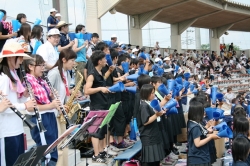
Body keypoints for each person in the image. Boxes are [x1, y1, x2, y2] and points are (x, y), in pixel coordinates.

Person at [0, 42, 36, 166]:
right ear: (10, 57)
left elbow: (14, 101)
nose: (21, 61)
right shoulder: (4, 77)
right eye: (19, 57)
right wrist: (25, 106)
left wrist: (25, 99)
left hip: (17, 129)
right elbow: (4, 107)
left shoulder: (13, 75)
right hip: (7, 131)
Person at [23, 54, 61, 166]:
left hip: (49, 116)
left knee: (53, 149)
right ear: (30, 66)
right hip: (39, 118)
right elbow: (31, 107)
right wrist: (51, 105)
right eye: (41, 65)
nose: (43, 68)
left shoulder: (41, 80)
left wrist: (52, 96)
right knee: (47, 152)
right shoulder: (27, 81)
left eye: (44, 65)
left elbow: (47, 99)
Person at [48, 49, 77, 166]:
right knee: (59, 145)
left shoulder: (65, 73)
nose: (74, 63)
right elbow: (47, 94)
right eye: (72, 60)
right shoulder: (54, 73)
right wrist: (58, 105)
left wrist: (72, 93)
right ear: (64, 60)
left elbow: (63, 91)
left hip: (62, 112)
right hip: (54, 113)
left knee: (64, 144)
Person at [84, 50, 111, 163]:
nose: (106, 60)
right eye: (104, 59)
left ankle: (100, 152)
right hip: (96, 105)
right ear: (99, 61)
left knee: (102, 130)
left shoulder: (101, 73)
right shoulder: (92, 74)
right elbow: (86, 90)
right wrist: (100, 89)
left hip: (104, 104)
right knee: (96, 131)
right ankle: (96, 154)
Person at [137, 84, 165, 166]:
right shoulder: (143, 105)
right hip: (148, 136)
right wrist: (157, 115)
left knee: (156, 160)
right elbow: (145, 121)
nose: (154, 95)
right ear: (147, 94)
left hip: (154, 134)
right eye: (152, 93)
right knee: (150, 161)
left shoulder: (148, 103)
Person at [187, 97, 220, 165]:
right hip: (199, 158)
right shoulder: (195, 126)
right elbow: (198, 143)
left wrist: (207, 127)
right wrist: (210, 137)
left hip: (199, 157)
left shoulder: (192, 122)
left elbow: (200, 132)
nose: (204, 113)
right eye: (203, 111)